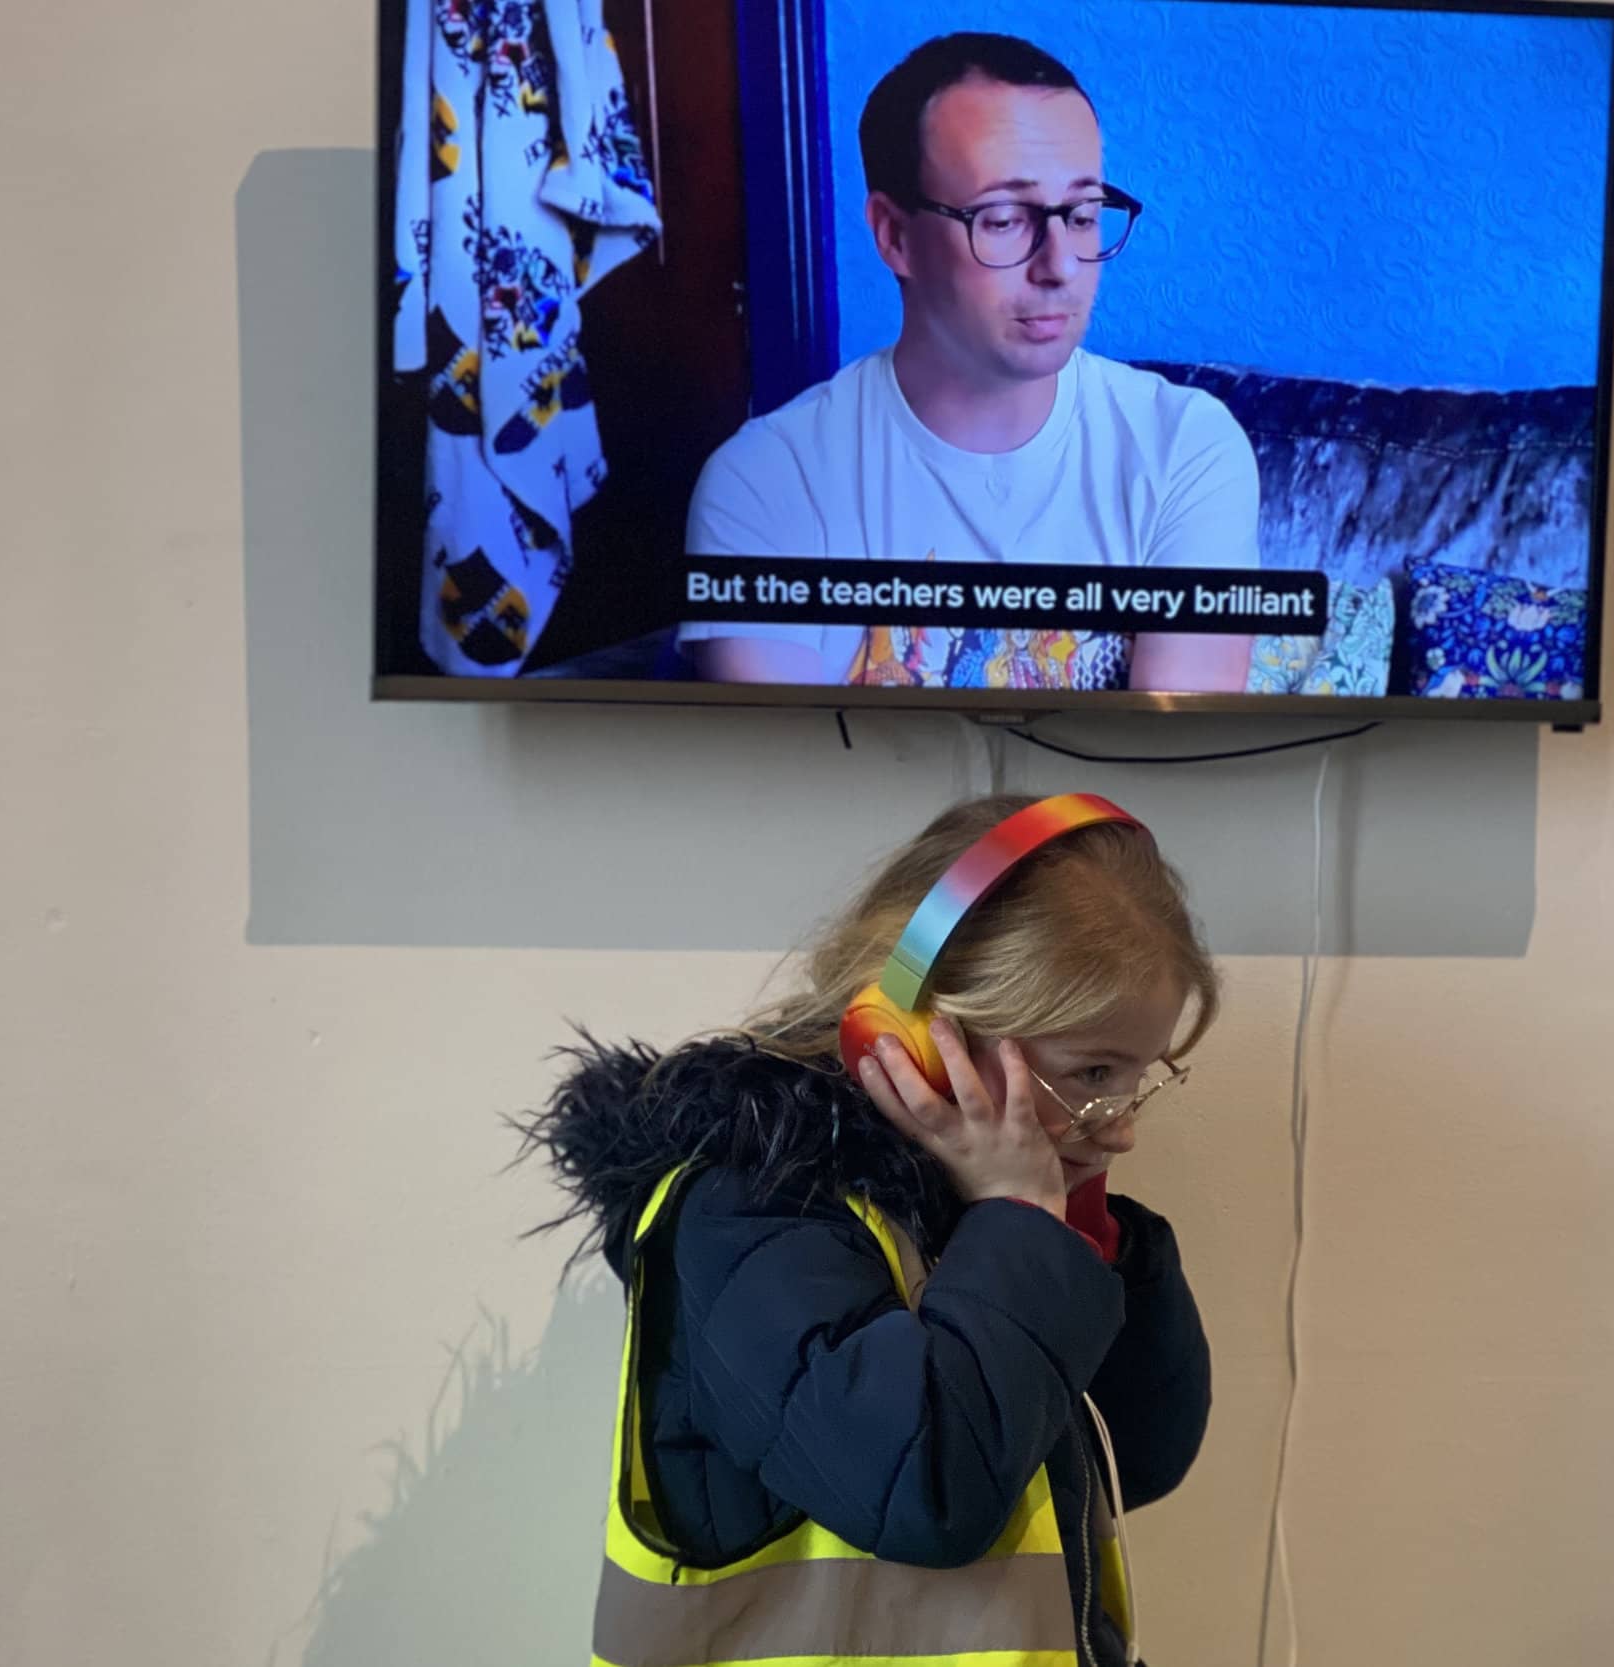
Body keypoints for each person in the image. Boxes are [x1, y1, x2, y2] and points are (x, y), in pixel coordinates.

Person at [517, 793, 1217, 1667]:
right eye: (1095, 1073)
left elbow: (1142, 1457)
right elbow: (923, 1488)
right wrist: (1019, 1225)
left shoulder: (995, 1217)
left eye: (1138, 1077)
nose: (1120, 1124)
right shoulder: (751, 1210)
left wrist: (1076, 1227)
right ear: (924, 1038)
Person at [680, 32, 1262, 695]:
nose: (1061, 267)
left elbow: (1176, 767)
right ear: (896, 236)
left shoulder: (1185, 446)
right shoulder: (766, 484)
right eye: (1005, 218)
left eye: (1082, 213)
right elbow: (784, 781)